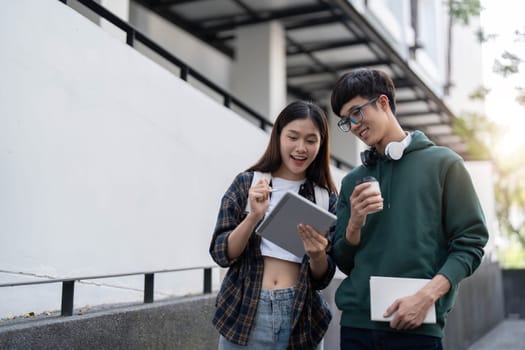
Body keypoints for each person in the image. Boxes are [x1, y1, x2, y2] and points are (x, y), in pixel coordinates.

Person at [329, 68, 489, 350]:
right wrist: (354, 222)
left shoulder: (445, 164)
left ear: (383, 102)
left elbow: (471, 245)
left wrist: (426, 297)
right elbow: (344, 260)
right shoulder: (352, 181)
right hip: (356, 328)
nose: (353, 125)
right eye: (345, 121)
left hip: (417, 326)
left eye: (356, 113)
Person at [209, 100, 339, 349]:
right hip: (246, 309)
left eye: (311, 140)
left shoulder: (325, 198)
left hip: (301, 314)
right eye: (293, 137)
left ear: (321, 145)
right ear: (278, 135)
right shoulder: (248, 184)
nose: (301, 148)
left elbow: (323, 277)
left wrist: (317, 255)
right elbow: (221, 253)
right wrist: (254, 216)